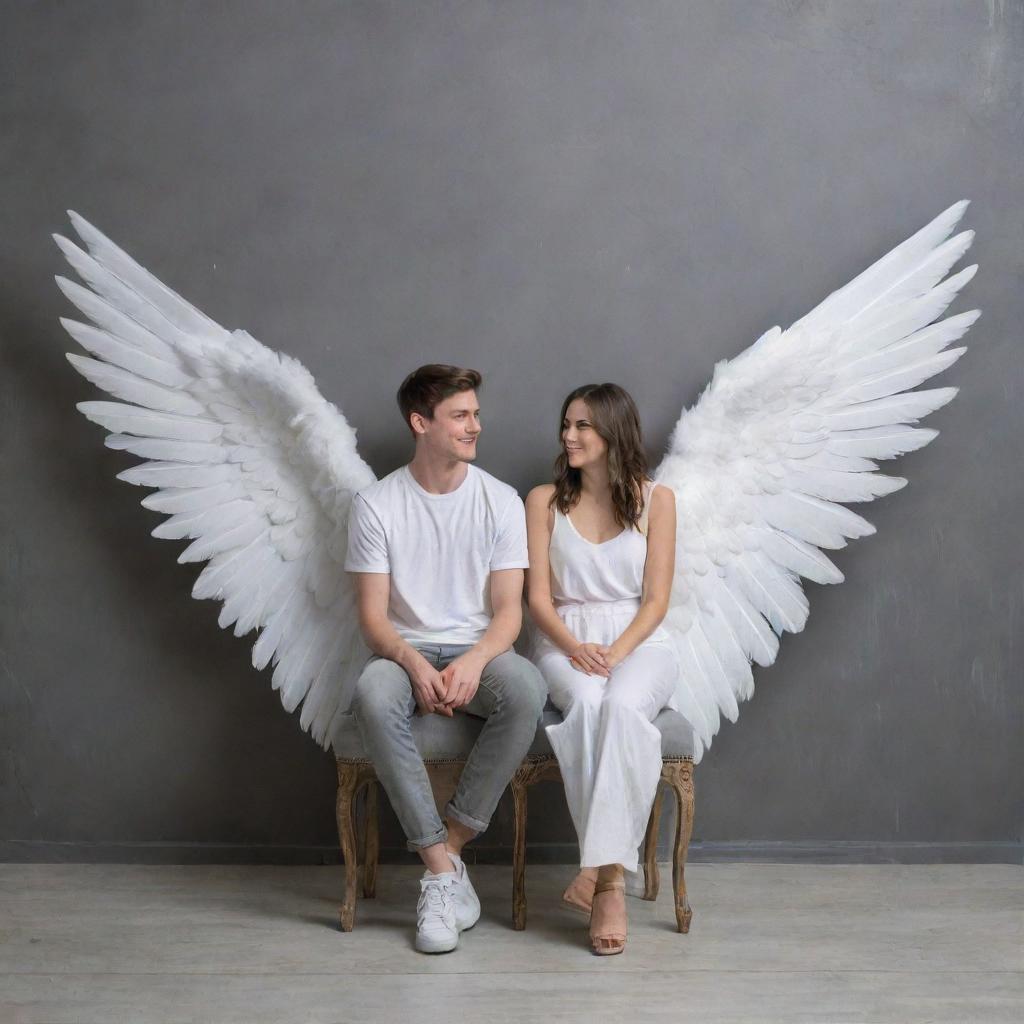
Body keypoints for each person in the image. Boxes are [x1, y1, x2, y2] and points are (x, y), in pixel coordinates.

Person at [345, 364, 546, 954]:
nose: (475, 426)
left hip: (476, 648)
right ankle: (439, 871)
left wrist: (475, 661)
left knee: (527, 691)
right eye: (460, 416)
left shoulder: (500, 501)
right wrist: (413, 664)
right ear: (420, 422)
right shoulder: (376, 504)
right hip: (404, 650)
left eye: (475, 414)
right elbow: (373, 621)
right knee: (372, 696)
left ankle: (447, 853)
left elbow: (509, 612)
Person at [525, 383, 680, 956]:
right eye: (566, 424)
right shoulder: (543, 500)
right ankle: (611, 876)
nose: (569, 435)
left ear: (614, 430)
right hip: (562, 640)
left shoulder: (656, 500)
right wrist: (574, 646)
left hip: (642, 642)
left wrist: (615, 653)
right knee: (589, 704)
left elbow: (657, 600)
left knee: (619, 704)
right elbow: (537, 600)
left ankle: (601, 876)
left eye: (583, 425)